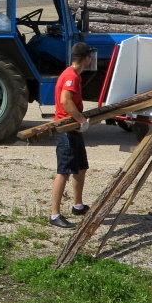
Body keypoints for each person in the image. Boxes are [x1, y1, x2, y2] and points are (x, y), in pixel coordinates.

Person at [48, 42, 95, 228]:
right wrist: (82, 120)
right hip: (66, 129)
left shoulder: (74, 74)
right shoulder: (71, 76)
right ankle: (54, 215)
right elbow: (65, 101)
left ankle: (78, 205)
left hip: (73, 128)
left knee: (81, 167)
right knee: (64, 171)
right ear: (87, 59)